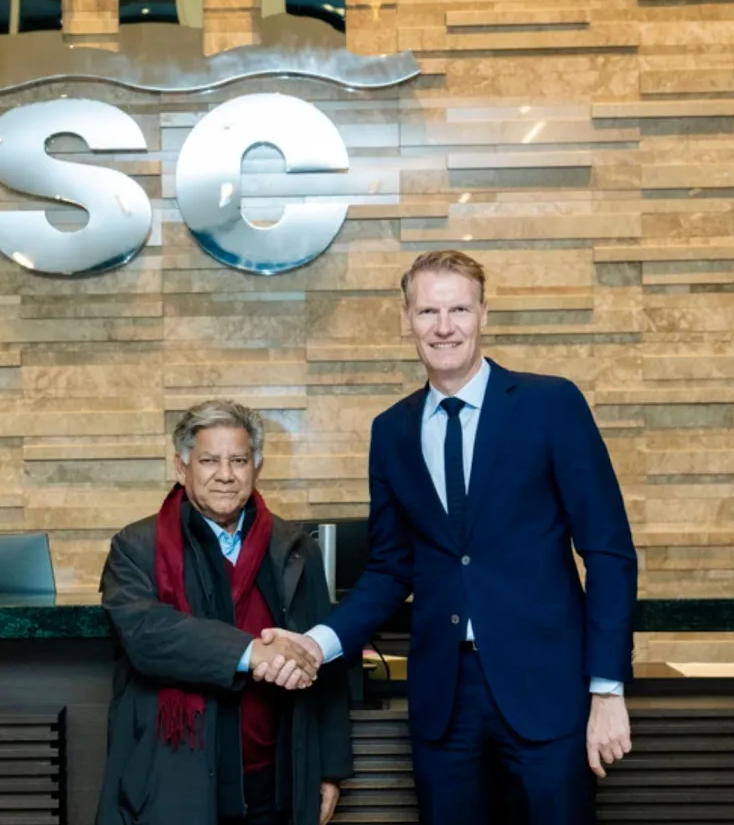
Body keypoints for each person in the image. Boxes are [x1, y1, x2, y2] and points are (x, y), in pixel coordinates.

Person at [255, 250, 638, 825]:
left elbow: (609, 553)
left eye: (458, 309)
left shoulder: (551, 405)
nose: (444, 326)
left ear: (483, 314)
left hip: (547, 694)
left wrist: (607, 691)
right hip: (444, 703)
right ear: (406, 320)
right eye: (428, 311)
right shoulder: (391, 431)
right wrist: (317, 644)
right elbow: (389, 569)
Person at [95, 399, 353, 825]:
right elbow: (148, 635)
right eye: (209, 460)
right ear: (182, 467)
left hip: (277, 781)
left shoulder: (293, 548)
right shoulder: (136, 547)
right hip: (173, 783)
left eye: (238, 460)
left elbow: (324, 663)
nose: (226, 474)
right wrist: (253, 652)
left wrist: (329, 769)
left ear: (257, 467)